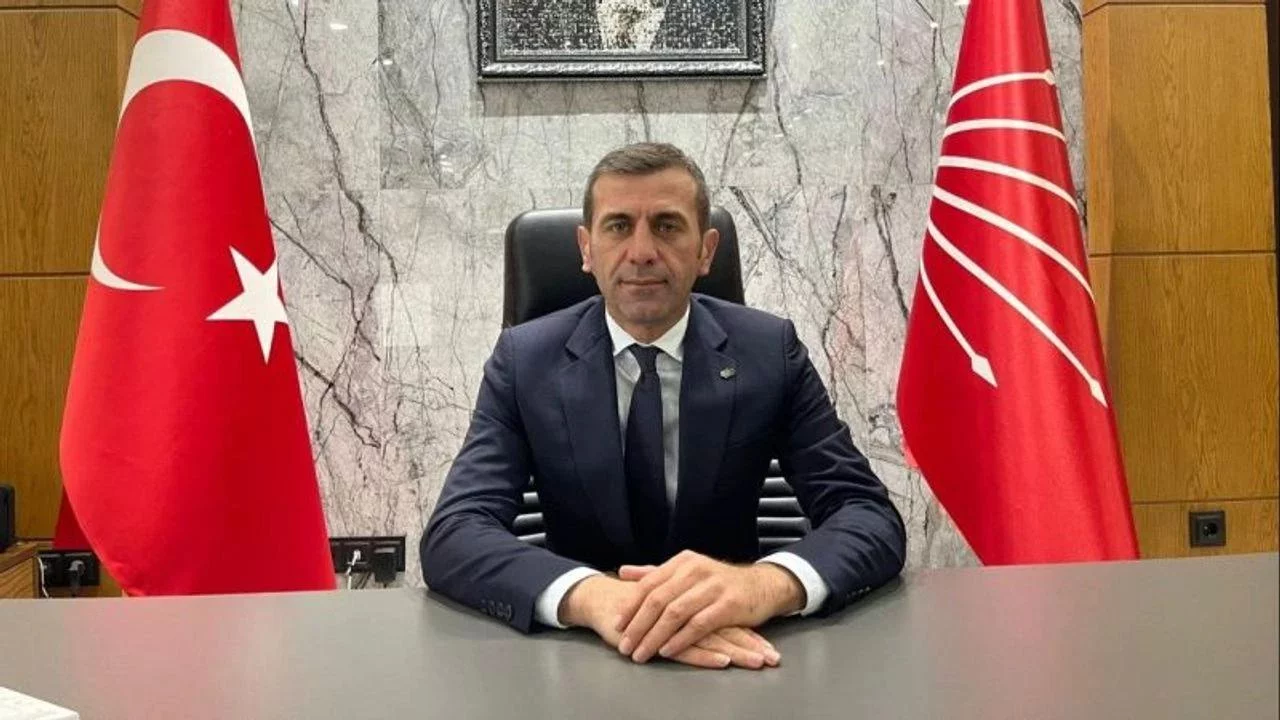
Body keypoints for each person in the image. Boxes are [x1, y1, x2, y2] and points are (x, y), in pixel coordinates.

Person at [422, 143, 906, 670]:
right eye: (618, 226)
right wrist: (592, 595)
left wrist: (763, 585)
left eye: (668, 226)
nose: (642, 251)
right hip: (580, 659)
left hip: (741, 654)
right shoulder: (524, 361)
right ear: (586, 249)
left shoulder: (769, 352)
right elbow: (456, 531)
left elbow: (867, 514)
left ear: (706, 250)